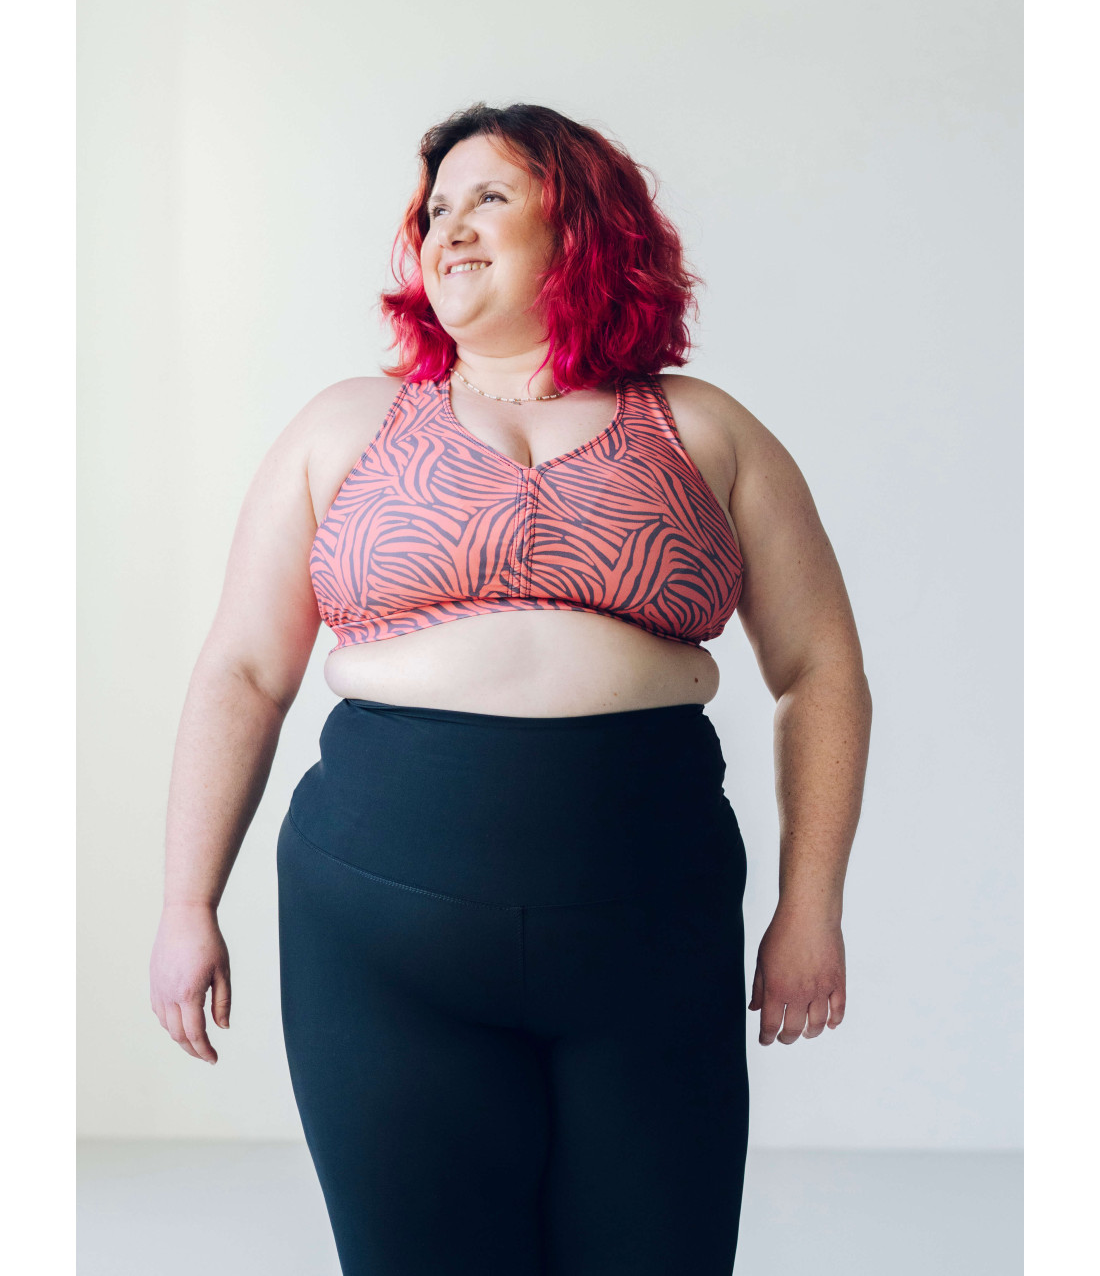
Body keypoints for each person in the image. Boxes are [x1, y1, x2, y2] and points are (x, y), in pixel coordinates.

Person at [149, 101, 872, 1275]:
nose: (450, 227)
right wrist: (187, 903)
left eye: (488, 197)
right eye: (435, 208)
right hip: (378, 942)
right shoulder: (345, 426)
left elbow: (819, 671)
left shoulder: (704, 429)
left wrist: (810, 906)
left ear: (581, 223)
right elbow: (241, 670)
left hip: (651, 929)